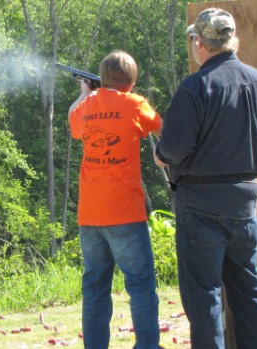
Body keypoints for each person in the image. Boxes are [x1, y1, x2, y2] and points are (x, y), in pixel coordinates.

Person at [153, 7, 257, 349]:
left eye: (193, 39)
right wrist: (248, 163)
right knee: (250, 290)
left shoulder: (196, 87)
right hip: (245, 204)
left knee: (204, 297)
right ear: (231, 40)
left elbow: (175, 148)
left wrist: (160, 156)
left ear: (199, 42)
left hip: (200, 207)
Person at [67, 50, 163, 349]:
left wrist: (85, 93)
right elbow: (162, 128)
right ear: (131, 82)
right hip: (125, 211)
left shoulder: (87, 105)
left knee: (95, 288)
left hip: (90, 216)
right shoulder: (135, 103)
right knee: (141, 284)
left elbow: (74, 122)